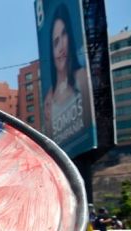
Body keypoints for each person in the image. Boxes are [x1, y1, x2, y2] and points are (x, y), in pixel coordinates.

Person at [42, 3, 93, 145]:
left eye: (64, 34)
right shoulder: (48, 101)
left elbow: (89, 128)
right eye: (55, 42)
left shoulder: (81, 78)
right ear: (51, 51)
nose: (61, 48)